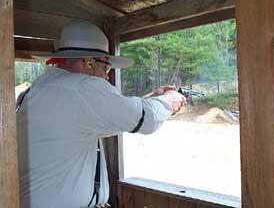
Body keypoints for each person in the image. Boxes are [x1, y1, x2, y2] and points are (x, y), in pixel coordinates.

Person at [16, 20, 187, 208]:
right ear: (88, 62)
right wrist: (169, 101)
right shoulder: (84, 88)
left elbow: (106, 118)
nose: (107, 76)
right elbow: (147, 121)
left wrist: (154, 98)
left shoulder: (40, 88)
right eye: (106, 67)